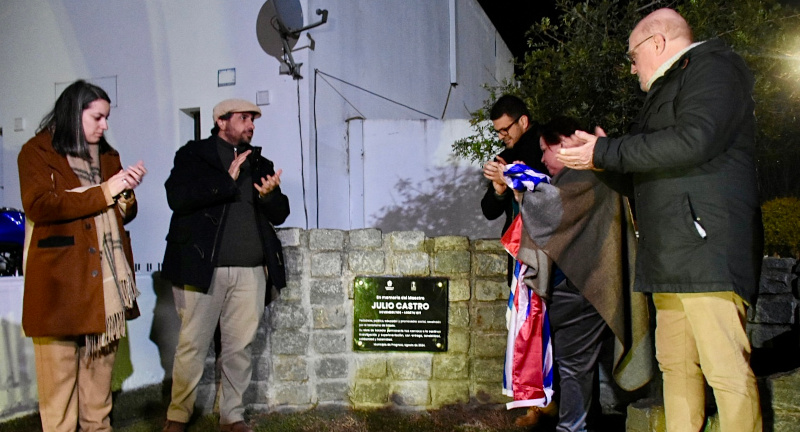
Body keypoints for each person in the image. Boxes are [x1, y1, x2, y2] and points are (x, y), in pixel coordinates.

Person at [557, 8, 763, 431]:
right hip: (671, 256)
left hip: (708, 255)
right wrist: (604, 158)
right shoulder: (667, 90)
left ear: (657, 43)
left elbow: (695, 139)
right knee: (675, 366)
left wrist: (607, 151)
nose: (632, 69)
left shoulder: (714, 67)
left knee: (725, 371)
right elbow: (651, 174)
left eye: (633, 57)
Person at [18, 79, 146, 432]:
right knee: (58, 403)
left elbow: (121, 214)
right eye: (98, 118)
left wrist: (125, 197)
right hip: (60, 288)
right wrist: (106, 191)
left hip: (105, 293)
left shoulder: (107, 155)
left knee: (98, 401)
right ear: (75, 114)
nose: (105, 126)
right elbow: (40, 205)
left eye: (106, 118)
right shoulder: (37, 152)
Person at [509, 117, 652, 431]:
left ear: (564, 143)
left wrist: (520, 192)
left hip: (582, 291)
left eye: (547, 150)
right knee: (581, 369)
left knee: (574, 369)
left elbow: (552, 214)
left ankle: (572, 428)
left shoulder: (583, 177)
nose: (544, 158)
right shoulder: (588, 175)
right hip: (589, 288)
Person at [161, 98, 290, 432]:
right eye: (244, 118)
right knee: (192, 345)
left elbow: (280, 213)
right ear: (221, 121)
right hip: (205, 270)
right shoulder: (194, 155)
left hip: (250, 271)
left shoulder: (260, 161)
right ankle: (177, 417)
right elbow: (177, 198)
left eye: (253, 119)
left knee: (239, 349)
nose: (251, 125)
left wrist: (271, 196)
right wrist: (226, 182)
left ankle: (232, 416)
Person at [481, 94, 547, 284]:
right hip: (519, 250)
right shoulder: (504, 158)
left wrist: (514, 178)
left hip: (547, 249)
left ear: (523, 121)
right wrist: (499, 190)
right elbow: (489, 211)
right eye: (498, 132)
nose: (502, 136)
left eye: (505, 130)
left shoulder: (547, 146)